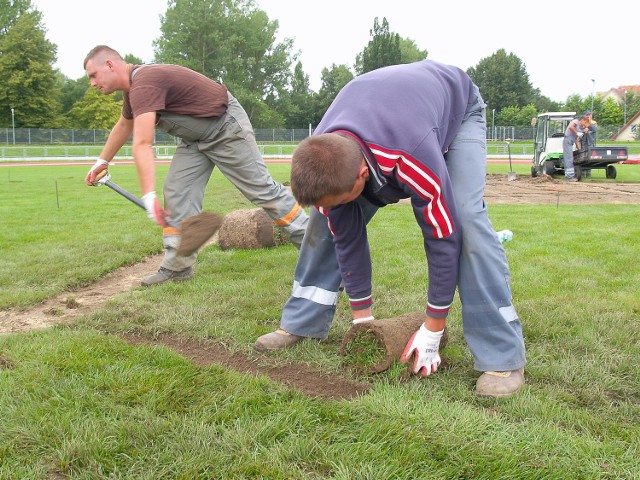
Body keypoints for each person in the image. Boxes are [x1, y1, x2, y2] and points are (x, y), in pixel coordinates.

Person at [254, 59, 526, 398]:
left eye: (341, 198)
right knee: (324, 220)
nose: (334, 208)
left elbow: (442, 237)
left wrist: (433, 325)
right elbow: (347, 238)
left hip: (456, 108)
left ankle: (502, 356)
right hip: (384, 109)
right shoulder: (324, 151)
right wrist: (363, 321)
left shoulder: (410, 157)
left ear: (362, 175)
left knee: (466, 219)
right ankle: (302, 323)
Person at [83, 45, 308, 286]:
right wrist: (101, 161)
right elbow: (124, 126)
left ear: (109, 65)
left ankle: (318, 250)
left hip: (226, 129)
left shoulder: (144, 83)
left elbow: (142, 142)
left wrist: (148, 195)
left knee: (262, 190)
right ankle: (177, 267)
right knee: (178, 192)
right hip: (196, 139)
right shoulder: (132, 92)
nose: (92, 83)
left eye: (93, 75)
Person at [562, 114, 589, 181]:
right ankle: (570, 177)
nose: (584, 124)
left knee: (569, 158)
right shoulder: (576, 121)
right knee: (569, 158)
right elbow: (571, 127)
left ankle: (568, 175)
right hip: (567, 140)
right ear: (582, 120)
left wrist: (580, 150)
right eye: (585, 122)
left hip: (571, 141)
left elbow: (577, 140)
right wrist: (577, 133)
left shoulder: (580, 127)